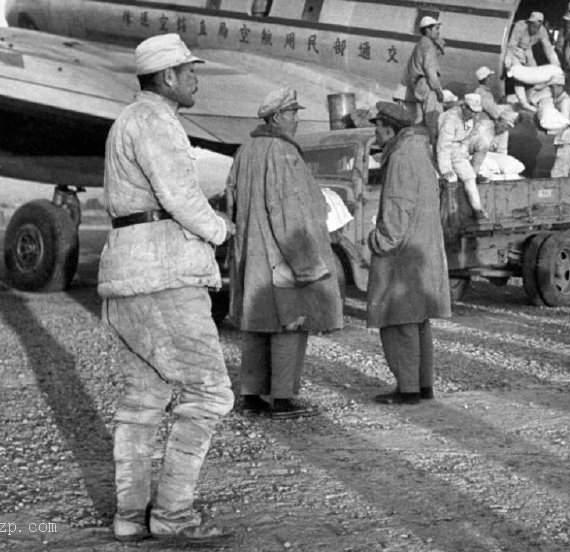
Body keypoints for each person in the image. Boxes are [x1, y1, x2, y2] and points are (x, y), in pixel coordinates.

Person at [99, 34, 235, 542]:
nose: (197, 78)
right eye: (190, 71)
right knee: (210, 393)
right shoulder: (157, 122)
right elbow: (180, 196)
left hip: (125, 273)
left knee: (142, 400)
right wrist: (221, 230)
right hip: (163, 273)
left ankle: (129, 518)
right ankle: (174, 516)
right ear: (169, 77)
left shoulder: (125, 122)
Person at [226, 86, 343, 420]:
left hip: (253, 255)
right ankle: (282, 399)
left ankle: (251, 396)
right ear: (276, 117)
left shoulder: (245, 151)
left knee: (256, 323)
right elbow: (289, 210)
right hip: (282, 253)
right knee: (288, 325)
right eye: (293, 113)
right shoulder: (282, 152)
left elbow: (232, 202)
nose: (296, 120)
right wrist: (306, 264)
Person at [366, 101, 451, 404]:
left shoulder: (401, 157)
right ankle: (422, 385)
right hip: (421, 251)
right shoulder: (419, 152)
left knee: (398, 323)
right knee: (418, 322)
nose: (374, 131)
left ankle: (408, 389)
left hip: (402, 257)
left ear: (389, 129)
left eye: (377, 125)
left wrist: (376, 241)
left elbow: (396, 214)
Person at [437, 93, 488, 220]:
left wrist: (464, 156)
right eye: (471, 110)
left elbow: (465, 140)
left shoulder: (469, 119)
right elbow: (443, 145)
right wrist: (446, 169)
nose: (473, 114)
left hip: (458, 150)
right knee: (450, 180)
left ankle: (478, 209)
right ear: (464, 106)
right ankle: (447, 217)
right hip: (446, 151)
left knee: (470, 177)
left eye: (476, 112)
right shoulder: (450, 119)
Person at [403, 15, 446, 140]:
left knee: (420, 120)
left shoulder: (421, 44)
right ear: (428, 30)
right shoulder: (428, 46)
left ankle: (418, 144)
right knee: (433, 118)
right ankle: (432, 147)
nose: (438, 32)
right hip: (427, 85)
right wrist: (438, 90)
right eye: (436, 29)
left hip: (418, 85)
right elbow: (430, 70)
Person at [504, 12, 559, 108]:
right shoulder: (520, 26)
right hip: (516, 50)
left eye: (536, 26)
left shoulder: (542, 31)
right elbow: (512, 45)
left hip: (527, 51)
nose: (533, 28)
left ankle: (529, 99)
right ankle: (523, 102)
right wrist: (508, 61)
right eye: (532, 25)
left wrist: (556, 65)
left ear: (540, 25)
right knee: (519, 76)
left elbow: (548, 49)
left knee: (533, 74)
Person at [548, 71, 570, 178]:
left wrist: (549, 130)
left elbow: (563, 121)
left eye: (553, 87)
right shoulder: (559, 100)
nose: (551, 90)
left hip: (568, 138)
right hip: (568, 137)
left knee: (558, 173)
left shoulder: (565, 102)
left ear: (560, 87)